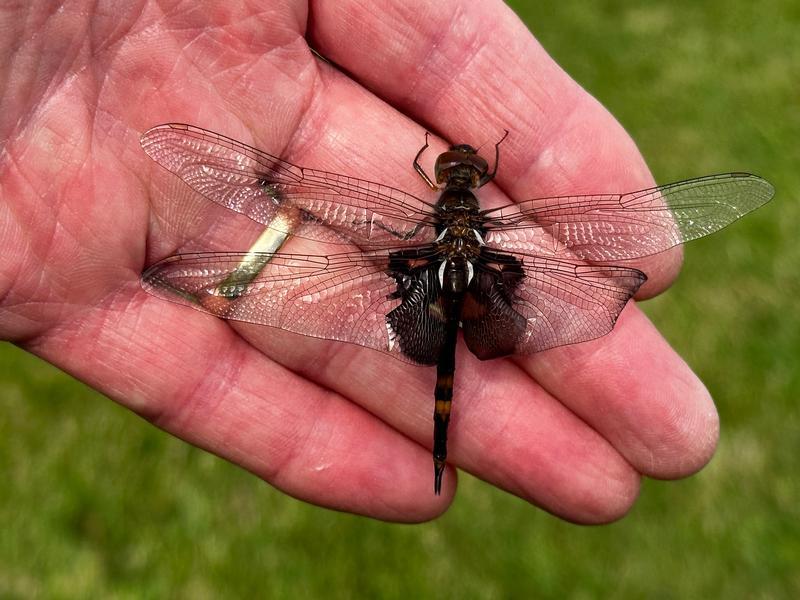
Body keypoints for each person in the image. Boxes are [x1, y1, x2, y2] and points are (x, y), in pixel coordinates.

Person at [0, 0, 718, 522]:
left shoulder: (421, 207)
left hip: (430, 275)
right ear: (476, 180)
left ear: (443, 182)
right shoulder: (482, 211)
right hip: (475, 283)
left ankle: (439, 350)